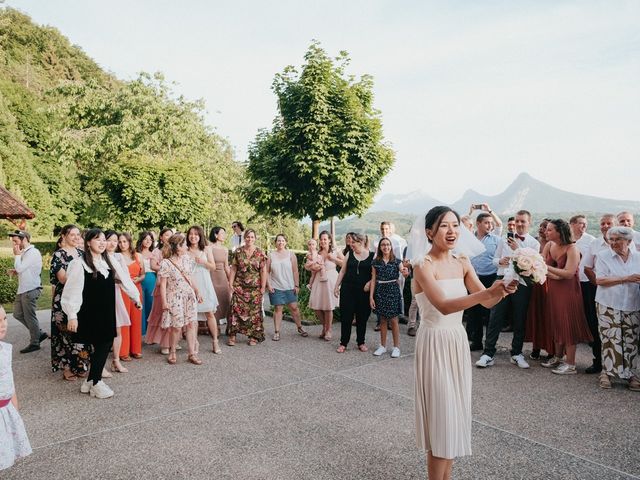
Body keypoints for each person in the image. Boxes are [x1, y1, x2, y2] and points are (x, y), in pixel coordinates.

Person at [411, 206, 515, 480]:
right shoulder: (423, 265)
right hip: (434, 342)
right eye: (444, 226)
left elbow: (488, 300)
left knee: (453, 417)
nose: (452, 231)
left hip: (457, 341)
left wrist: (502, 289)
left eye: (455, 225)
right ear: (429, 232)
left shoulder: (462, 261)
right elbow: (444, 306)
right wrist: (487, 293)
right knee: (440, 421)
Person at [62, 229, 141, 399]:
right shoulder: (79, 263)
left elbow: (125, 280)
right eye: (97, 239)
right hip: (89, 311)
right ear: (88, 242)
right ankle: (96, 383)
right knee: (102, 344)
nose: (102, 242)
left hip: (106, 311)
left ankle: (91, 381)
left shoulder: (110, 260)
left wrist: (135, 297)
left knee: (103, 344)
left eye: (104, 239)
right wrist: (72, 314)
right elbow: (71, 291)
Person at [476, 210, 540, 369]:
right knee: (495, 317)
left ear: (529, 223)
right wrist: (501, 261)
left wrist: (518, 249)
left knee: (519, 317)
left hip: (522, 283)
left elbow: (533, 266)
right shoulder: (503, 240)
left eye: (522, 221)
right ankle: (488, 353)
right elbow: (494, 261)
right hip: (502, 279)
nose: (519, 224)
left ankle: (516, 353)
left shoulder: (533, 243)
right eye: (517, 221)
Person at [540, 220, 592, 374]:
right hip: (554, 290)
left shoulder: (572, 248)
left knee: (568, 323)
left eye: (549, 230)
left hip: (569, 292)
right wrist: (548, 272)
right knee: (556, 321)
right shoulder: (549, 245)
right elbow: (540, 262)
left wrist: (546, 269)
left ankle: (571, 364)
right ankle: (557, 357)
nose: (546, 232)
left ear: (559, 232)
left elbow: (569, 273)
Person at [594, 226, 640, 390]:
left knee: (631, 339)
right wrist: (626, 278)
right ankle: (606, 373)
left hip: (632, 303)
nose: (613, 243)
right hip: (608, 303)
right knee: (609, 339)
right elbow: (600, 280)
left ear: (628, 241)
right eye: (611, 239)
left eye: (617, 240)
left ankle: (632, 375)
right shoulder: (603, 256)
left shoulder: (638, 257)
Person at [50, 224, 90, 380]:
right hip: (63, 299)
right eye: (72, 234)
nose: (76, 237)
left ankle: (80, 365)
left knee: (80, 332)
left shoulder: (82, 253)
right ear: (63, 236)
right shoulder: (59, 255)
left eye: (78, 234)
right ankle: (67, 367)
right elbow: (63, 279)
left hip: (80, 298)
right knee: (65, 334)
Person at [158, 233, 202, 365]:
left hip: (189, 296)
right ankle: (172, 352)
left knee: (191, 324)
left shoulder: (187, 259)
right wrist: (164, 302)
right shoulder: (166, 263)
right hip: (175, 297)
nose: (186, 246)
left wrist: (197, 291)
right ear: (177, 247)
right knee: (176, 327)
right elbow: (163, 285)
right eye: (183, 244)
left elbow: (190, 277)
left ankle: (192, 353)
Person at [0, 306, 32, 470]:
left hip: (6, 411)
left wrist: (15, 409)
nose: (3, 324)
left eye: (4, 319)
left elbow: (9, 381)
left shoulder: (4, 350)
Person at [466, 212, 501, 351]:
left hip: (490, 277)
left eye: (491, 223)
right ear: (478, 223)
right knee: (474, 312)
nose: (490, 225)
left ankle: (490, 344)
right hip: (473, 278)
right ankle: (476, 341)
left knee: (490, 313)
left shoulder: (496, 240)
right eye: (487, 222)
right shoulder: (469, 239)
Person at [8, 230, 46, 353]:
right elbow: (23, 268)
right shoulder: (26, 252)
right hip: (23, 289)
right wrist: (15, 270)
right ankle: (38, 333)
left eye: (15, 241)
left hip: (30, 289)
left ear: (24, 239)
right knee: (17, 314)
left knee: (30, 317)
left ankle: (35, 342)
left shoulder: (33, 252)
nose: (14, 244)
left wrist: (17, 256)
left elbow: (20, 267)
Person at [227, 229, 267, 346]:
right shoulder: (238, 251)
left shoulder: (260, 253)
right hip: (239, 286)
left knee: (254, 312)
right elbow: (233, 268)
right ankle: (233, 335)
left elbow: (263, 271)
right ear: (245, 238)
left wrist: (263, 287)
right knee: (235, 309)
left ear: (255, 238)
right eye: (248, 237)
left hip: (255, 288)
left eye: (252, 237)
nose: (250, 239)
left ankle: (254, 336)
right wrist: (230, 283)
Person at [334, 233, 374, 352]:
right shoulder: (349, 254)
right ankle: (343, 343)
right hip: (348, 289)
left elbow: (376, 275)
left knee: (362, 317)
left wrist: (370, 282)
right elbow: (342, 272)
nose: (351, 244)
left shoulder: (372, 256)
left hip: (363, 291)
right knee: (346, 316)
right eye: (350, 242)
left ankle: (361, 342)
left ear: (360, 242)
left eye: (353, 242)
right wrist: (336, 286)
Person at [570, 215, 599, 373]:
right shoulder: (567, 239)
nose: (583, 226)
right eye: (581, 223)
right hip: (571, 282)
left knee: (591, 317)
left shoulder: (591, 240)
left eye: (585, 224)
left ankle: (596, 356)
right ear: (573, 224)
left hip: (586, 283)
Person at [370, 237, 408, 358]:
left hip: (393, 290)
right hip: (380, 291)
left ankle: (396, 347)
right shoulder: (375, 262)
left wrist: (406, 273)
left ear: (391, 247)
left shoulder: (397, 261)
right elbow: (373, 279)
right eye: (383, 245)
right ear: (380, 248)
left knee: (394, 320)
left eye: (388, 245)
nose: (385, 247)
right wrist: (371, 297)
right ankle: (382, 346)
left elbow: (403, 272)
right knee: (382, 320)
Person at [266, 234, 308, 340]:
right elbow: (266, 272)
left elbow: (295, 271)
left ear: (286, 242)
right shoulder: (271, 255)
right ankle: (277, 332)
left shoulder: (291, 255)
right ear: (275, 242)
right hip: (276, 286)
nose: (281, 242)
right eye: (278, 240)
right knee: (278, 309)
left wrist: (297, 285)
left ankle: (300, 327)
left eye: (283, 240)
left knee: (294, 308)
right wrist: (269, 285)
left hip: (289, 286)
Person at [187, 225, 220, 353]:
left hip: (205, 283)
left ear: (200, 236)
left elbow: (213, 267)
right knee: (192, 315)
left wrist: (203, 262)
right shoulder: (185, 250)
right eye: (191, 234)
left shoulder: (206, 249)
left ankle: (215, 342)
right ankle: (195, 342)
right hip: (191, 285)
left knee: (209, 313)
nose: (193, 236)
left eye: (196, 234)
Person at [306, 231, 342, 341]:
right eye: (321, 239)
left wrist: (334, 259)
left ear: (330, 240)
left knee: (328, 307)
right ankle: (325, 327)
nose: (323, 241)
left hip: (331, 279)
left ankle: (328, 330)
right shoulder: (316, 253)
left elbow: (345, 263)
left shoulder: (336, 251)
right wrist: (313, 267)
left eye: (325, 239)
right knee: (316, 306)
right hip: (318, 279)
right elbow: (308, 266)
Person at [105, 230, 132, 374]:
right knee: (102, 331)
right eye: (109, 239)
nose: (112, 243)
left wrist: (134, 297)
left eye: (115, 241)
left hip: (115, 294)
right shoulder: (99, 256)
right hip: (102, 295)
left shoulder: (118, 257)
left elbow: (125, 278)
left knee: (118, 329)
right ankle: (100, 364)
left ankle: (116, 360)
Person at [145, 228, 175, 354]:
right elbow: (153, 266)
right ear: (161, 237)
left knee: (174, 312)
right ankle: (163, 343)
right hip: (161, 282)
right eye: (166, 235)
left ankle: (172, 341)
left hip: (174, 285)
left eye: (170, 235)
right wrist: (166, 268)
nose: (168, 237)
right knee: (161, 312)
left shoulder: (175, 250)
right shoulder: (157, 251)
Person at [526, 218, 552, 360]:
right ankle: (536, 347)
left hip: (548, 283)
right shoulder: (534, 241)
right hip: (535, 284)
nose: (542, 229)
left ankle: (550, 348)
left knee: (548, 316)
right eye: (541, 226)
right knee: (536, 315)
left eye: (546, 227)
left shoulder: (553, 244)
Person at [117, 232, 145, 361]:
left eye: (124, 241)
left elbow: (143, 274)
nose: (122, 244)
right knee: (124, 319)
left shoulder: (138, 256)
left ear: (129, 242)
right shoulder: (116, 257)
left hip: (136, 289)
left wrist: (138, 279)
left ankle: (136, 349)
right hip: (122, 290)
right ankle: (123, 351)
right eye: (120, 242)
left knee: (136, 319)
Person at [208, 226, 231, 331]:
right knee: (214, 302)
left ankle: (229, 326)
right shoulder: (209, 248)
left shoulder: (225, 249)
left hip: (222, 278)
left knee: (226, 300)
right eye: (222, 233)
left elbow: (226, 266)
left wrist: (231, 281)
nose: (224, 235)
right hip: (212, 277)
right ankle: (215, 326)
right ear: (216, 235)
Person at [136, 231, 156, 335]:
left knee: (150, 304)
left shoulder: (154, 253)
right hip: (139, 279)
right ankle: (140, 331)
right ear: (141, 240)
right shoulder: (135, 253)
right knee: (140, 304)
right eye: (145, 239)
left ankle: (151, 332)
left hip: (151, 278)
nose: (148, 241)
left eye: (150, 239)